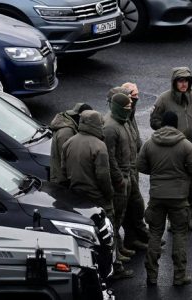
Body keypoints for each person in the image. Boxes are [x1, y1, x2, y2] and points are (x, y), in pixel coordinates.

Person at [61, 110, 132, 279]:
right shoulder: (99, 146)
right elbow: (103, 176)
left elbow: (64, 170)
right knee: (108, 232)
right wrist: (109, 195)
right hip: (97, 196)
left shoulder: (69, 143)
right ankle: (115, 267)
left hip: (76, 195)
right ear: (95, 124)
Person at [137, 111, 192, 286]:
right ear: (176, 124)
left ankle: (151, 275)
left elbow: (140, 165)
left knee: (155, 234)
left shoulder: (150, 143)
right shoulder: (186, 145)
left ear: (162, 124)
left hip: (157, 196)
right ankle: (179, 276)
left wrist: (157, 174)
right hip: (179, 197)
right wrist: (182, 176)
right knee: (180, 234)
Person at [150, 67, 192, 232]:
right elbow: (154, 121)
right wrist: (167, 130)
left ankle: (190, 215)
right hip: (171, 149)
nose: (183, 84)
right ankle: (173, 218)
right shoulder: (163, 99)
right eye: (180, 81)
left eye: (186, 81)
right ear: (174, 82)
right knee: (174, 183)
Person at [103, 93, 136, 278]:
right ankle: (115, 261)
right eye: (127, 107)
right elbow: (110, 158)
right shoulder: (110, 127)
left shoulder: (122, 122)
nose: (130, 109)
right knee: (115, 221)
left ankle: (120, 249)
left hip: (126, 174)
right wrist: (119, 179)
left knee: (121, 216)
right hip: (120, 179)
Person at [121, 82, 150, 251]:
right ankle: (134, 237)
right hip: (126, 169)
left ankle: (137, 236)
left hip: (133, 167)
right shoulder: (121, 119)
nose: (135, 99)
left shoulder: (130, 116)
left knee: (136, 204)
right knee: (130, 205)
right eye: (133, 95)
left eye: (137, 95)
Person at [49, 102, 92, 184]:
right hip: (63, 180)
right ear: (80, 116)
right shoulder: (66, 133)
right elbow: (67, 161)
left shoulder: (71, 125)